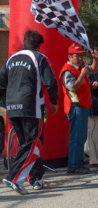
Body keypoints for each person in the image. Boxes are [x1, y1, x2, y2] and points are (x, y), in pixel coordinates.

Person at [0, 30, 59, 195]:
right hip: (31, 105)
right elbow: (50, 81)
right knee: (35, 142)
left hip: (12, 106)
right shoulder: (39, 58)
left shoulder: (11, 59)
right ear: (39, 45)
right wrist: (54, 100)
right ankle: (13, 177)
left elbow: (1, 84)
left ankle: (36, 178)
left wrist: (11, 97)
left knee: (27, 144)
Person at [59, 42, 98, 174]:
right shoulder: (68, 70)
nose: (81, 58)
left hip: (83, 106)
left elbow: (92, 70)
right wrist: (82, 75)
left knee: (81, 137)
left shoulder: (79, 67)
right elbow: (72, 87)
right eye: (78, 56)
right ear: (70, 56)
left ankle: (77, 163)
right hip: (76, 107)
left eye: (81, 55)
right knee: (76, 137)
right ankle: (73, 165)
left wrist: (95, 60)